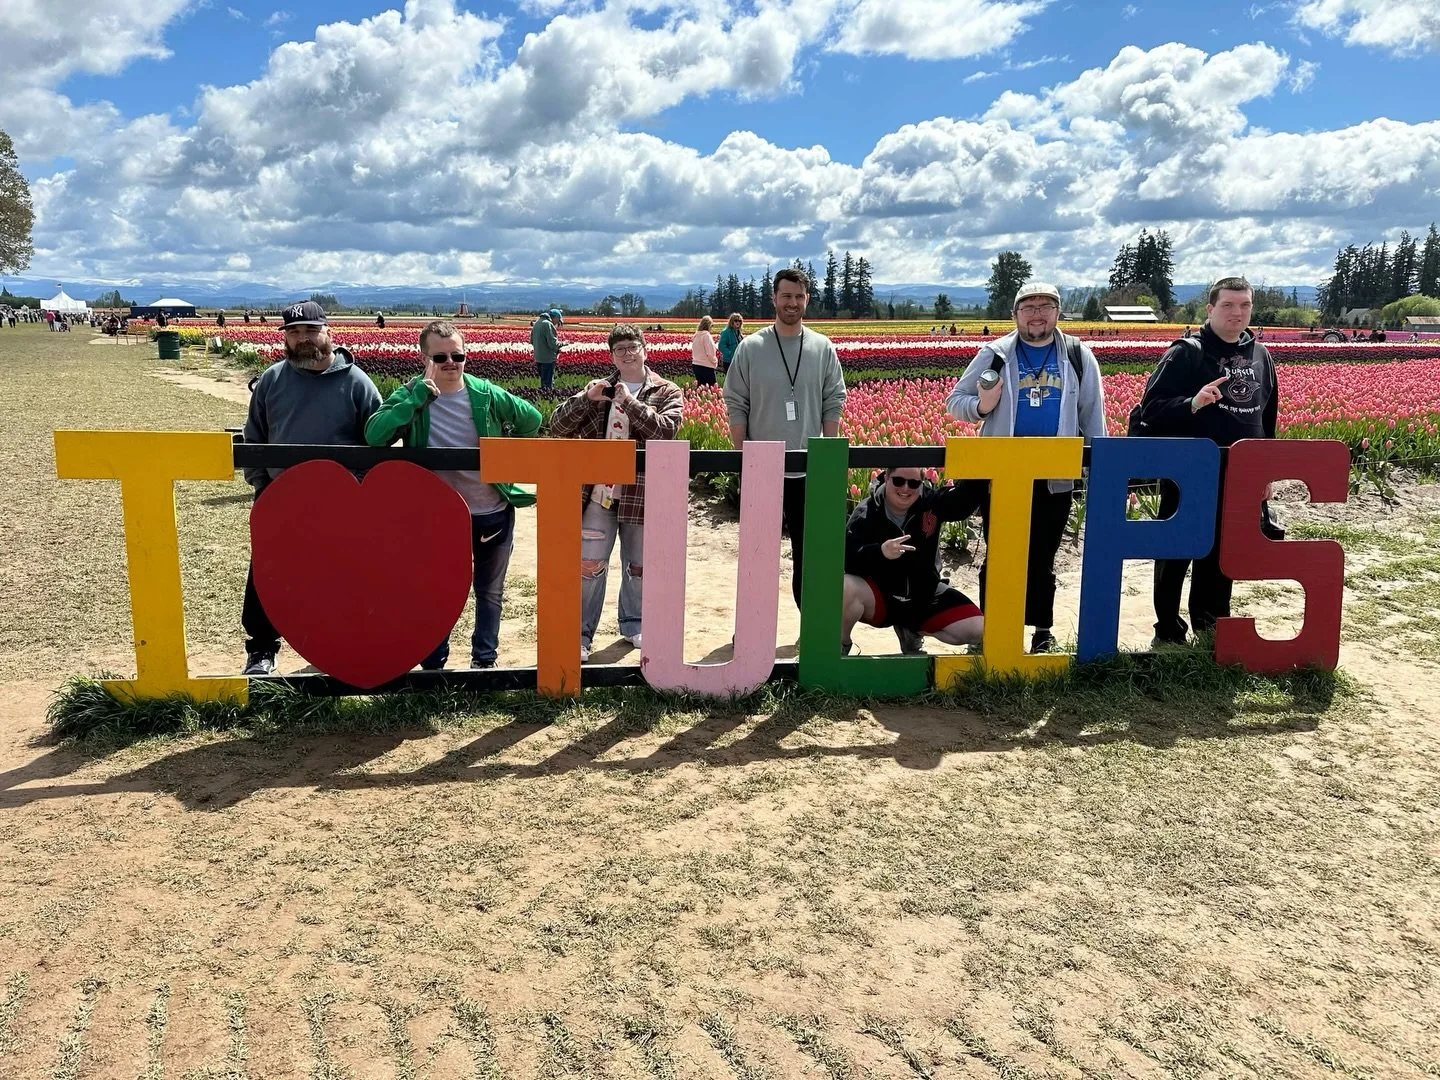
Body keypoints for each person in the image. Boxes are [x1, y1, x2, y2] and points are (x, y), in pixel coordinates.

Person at [364, 320, 542, 670]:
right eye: (441, 356)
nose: (451, 363)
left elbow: (532, 419)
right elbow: (375, 435)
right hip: (436, 516)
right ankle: (434, 665)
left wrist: (501, 443)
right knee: (435, 593)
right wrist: (417, 398)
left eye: (458, 355)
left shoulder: (485, 393)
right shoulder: (411, 393)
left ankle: (484, 661)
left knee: (489, 592)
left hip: (491, 509)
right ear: (424, 357)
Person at [945, 281, 1107, 654]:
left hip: (1054, 476)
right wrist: (982, 407)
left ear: (1057, 313)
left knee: (1043, 556)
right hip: (1001, 475)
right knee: (999, 551)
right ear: (1015, 314)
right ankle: (992, 628)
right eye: (1028, 306)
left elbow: (1093, 417)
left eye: (1045, 306)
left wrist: (1098, 466)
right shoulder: (996, 354)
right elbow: (956, 401)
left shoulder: (1079, 357)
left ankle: (1041, 631)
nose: (1037, 313)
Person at [1133, 276, 1278, 646]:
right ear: (1210, 309)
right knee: (1176, 550)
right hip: (1188, 472)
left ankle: (1211, 626)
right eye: (1228, 305)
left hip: (1240, 473)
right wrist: (1193, 403)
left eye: (1244, 305)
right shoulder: (1187, 352)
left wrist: (1267, 471)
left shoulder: (1260, 355)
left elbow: (1267, 417)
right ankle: (1167, 628)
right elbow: (1151, 408)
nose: (1237, 312)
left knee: (1221, 552)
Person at [240, 300, 382, 675]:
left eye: (310, 330)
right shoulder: (272, 380)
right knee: (267, 571)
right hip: (280, 494)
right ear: (285, 336)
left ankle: (339, 645)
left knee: (342, 573)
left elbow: (379, 443)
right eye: (294, 332)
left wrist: (359, 492)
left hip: (341, 500)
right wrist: (262, 485)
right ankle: (261, 649)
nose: (303, 338)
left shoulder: (357, 383)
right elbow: (253, 438)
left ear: (328, 332)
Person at [548, 325, 683, 662]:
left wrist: (630, 402)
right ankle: (580, 633)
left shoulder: (667, 391)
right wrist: (585, 399)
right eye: (619, 349)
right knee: (589, 566)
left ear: (644, 350)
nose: (626, 353)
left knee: (639, 566)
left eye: (632, 346)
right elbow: (557, 427)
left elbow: (664, 433)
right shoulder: (597, 391)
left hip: (642, 495)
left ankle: (634, 623)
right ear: (611, 356)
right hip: (599, 496)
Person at [723, 268, 847, 609]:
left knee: (809, 555)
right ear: (774, 298)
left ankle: (810, 625)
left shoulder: (822, 347)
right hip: (763, 467)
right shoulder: (752, 347)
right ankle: (751, 629)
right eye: (786, 296)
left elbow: (834, 397)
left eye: (799, 297)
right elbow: (736, 401)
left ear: (806, 300)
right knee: (758, 552)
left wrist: (826, 453)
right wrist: (740, 458)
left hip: (808, 469)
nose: (792, 303)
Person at [842, 467, 984, 654]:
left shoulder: (931, 503)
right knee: (846, 587)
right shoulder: (867, 511)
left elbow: (961, 505)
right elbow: (848, 558)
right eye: (898, 481)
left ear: (921, 484)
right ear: (887, 477)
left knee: (978, 629)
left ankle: (913, 630)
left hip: (923, 595)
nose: (906, 488)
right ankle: (840, 645)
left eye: (914, 483)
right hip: (881, 597)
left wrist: (981, 471)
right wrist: (880, 552)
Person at [530, 309, 562, 390]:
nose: (558, 322)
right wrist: (563, 344)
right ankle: (548, 397)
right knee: (548, 384)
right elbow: (553, 344)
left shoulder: (537, 323)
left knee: (543, 381)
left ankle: (544, 396)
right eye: (558, 319)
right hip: (547, 359)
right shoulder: (548, 324)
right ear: (555, 317)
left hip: (538, 358)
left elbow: (531, 341)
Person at [691, 315, 719, 385]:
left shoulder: (696, 335)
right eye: (712, 326)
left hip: (696, 365)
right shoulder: (706, 336)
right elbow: (710, 353)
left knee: (701, 387)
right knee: (712, 388)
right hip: (706, 366)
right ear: (708, 325)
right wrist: (715, 361)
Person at [717, 313, 744, 377]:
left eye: (739, 321)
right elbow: (721, 346)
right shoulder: (726, 332)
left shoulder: (738, 332)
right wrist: (730, 353)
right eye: (736, 320)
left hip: (738, 360)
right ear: (732, 321)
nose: (738, 322)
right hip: (729, 361)